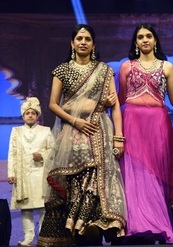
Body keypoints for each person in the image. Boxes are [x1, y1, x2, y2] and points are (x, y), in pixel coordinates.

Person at [36, 24, 126, 246]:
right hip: (73, 131)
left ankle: (96, 224)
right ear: (72, 43)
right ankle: (77, 228)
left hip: (100, 129)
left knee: (98, 176)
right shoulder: (62, 70)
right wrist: (75, 120)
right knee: (77, 176)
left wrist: (119, 136)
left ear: (93, 44)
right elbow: (53, 105)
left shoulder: (105, 70)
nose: (83, 42)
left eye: (87, 39)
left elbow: (114, 106)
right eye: (79, 39)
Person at [118, 23, 173, 244]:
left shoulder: (167, 67)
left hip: (158, 123)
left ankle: (159, 225)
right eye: (140, 37)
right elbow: (119, 101)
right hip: (132, 121)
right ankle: (136, 225)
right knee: (134, 173)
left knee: (157, 173)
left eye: (149, 36)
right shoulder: (126, 67)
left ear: (155, 40)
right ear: (136, 42)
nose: (145, 40)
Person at [7, 97, 54, 246]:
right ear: (23, 115)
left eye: (33, 112)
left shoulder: (45, 131)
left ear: (37, 115)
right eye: (27, 113)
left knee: (42, 206)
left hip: (40, 174)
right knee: (25, 207)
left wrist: (42, 156)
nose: (30, 115)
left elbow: (54, 151)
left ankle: (43, 235)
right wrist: (11, 173)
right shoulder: (16, 131)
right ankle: (28, 237)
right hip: (23, 174)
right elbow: (12, 153)